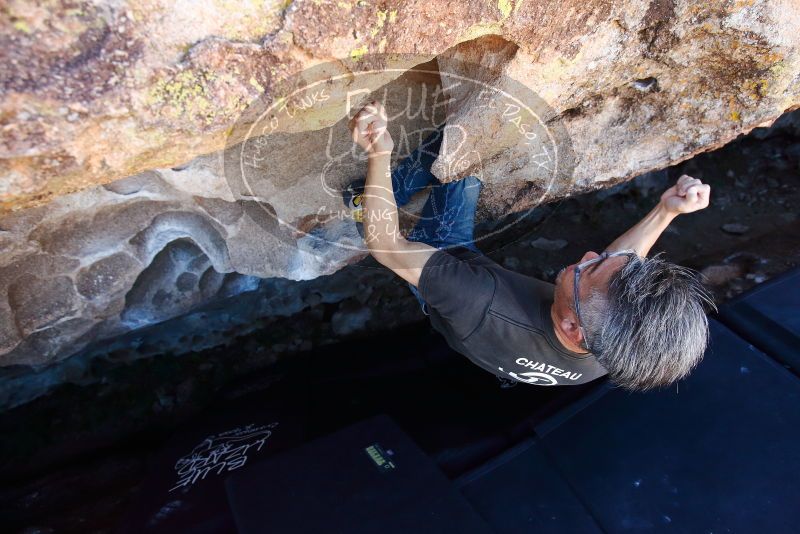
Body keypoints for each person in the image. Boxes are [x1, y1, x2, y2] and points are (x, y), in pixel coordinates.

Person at [347, 100, 714, 390]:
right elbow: (619, 267)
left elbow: (387, 246)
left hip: (452, 274)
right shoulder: (617, 349)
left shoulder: (478, 299)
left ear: (573, 328)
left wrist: (378, 153)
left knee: (465, 146)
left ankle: (368, 196)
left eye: (589, 271)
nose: (589, 256)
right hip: (483, 319)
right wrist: (666, 212)